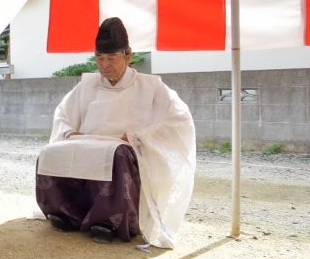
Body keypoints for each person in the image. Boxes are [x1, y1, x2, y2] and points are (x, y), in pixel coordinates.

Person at [35, 17, 195, 247]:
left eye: (112, 57)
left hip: (126, 147)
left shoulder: (151, 86)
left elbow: (179, 120)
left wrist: (138, 137)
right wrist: (69, 132)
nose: (105, 64)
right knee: (52, 151)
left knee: (117, 155)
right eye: (100, 58)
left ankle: (110, 221)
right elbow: (63, 115)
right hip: (88, 141)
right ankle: (66, 213)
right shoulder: (87, 85)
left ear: (128, 56)